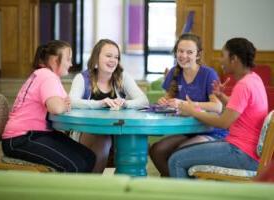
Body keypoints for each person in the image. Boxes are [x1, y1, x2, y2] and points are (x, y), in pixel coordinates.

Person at [168, 37, 268, 178]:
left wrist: (193, 111)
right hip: (248, 151)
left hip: (241, 153)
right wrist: (221, 96)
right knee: (180, 155)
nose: (220, 60)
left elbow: (224, 123)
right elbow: (239, 109)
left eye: (223, 55)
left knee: (176, 160)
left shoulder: (243, 85)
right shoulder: (254, 78)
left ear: (234, 59)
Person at [1, 40, 96, 173]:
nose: (71, 64)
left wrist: (64, 103)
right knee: (76, 165)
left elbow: (64, 103)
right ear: (54, 60)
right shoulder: (47, 76)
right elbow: (57, 107)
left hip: (35, 134)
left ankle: (80, 192)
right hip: (20, 138)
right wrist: (63, 104)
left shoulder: (45, 75)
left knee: (89, 157)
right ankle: (62, 194)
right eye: (68, 59)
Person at [149, 33, 228, 177]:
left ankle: (183, 190)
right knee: (156, 150)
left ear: (198, 55)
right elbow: (168, 98)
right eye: (180, 51)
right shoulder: (174, 72)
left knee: (178, 153)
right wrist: (163, 101)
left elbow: (217, 107)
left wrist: (187, 104)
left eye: (189, 52)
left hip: (211, 131)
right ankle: (174, 186)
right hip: (187, 131)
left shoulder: (208, 74)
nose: (183, 55)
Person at [69, 39, 149, 173]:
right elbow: (71, 101)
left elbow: (143, 100)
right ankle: (94, 186)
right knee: (103, 138)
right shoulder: (82, 78)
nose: (113, 60)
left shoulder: (122, 77)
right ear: (96, 57)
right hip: (87, 131)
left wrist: (125, 103)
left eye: (116, 57)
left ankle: (124, 186)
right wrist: (99, 103)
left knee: (135, 140)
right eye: (108, 56)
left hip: (117, 133)